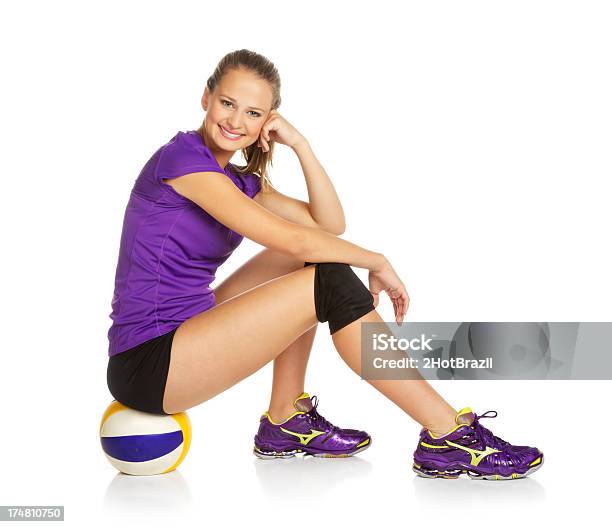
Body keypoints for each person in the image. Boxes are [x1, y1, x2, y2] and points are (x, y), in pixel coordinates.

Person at [106, 49, 544, 480]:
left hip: (188, 329)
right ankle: (447, 434)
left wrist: (301, 145)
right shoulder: (183, 161)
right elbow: (291, 236)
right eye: (227, 103)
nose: (236, 121)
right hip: (149, 362)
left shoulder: (239, 181)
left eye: (253, 113)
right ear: (206, 98)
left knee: (311, 258)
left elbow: (327, 225)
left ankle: (283, 420)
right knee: (328, 276)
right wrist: (377, 260)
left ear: (268, 121)